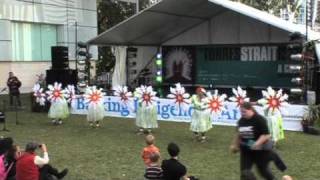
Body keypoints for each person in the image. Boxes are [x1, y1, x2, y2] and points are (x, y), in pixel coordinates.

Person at [230, 102, 275, 180]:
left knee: (263, 171)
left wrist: (257, 143)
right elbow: (238, 134)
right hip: (246, 151)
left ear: (250, 110)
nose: (242, 114)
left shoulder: (259, 119)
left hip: (260, 151)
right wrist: (235, 145)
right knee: (245, 173)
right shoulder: (241, 121)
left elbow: (267, 135)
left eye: (244, 111)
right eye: (241, 112)